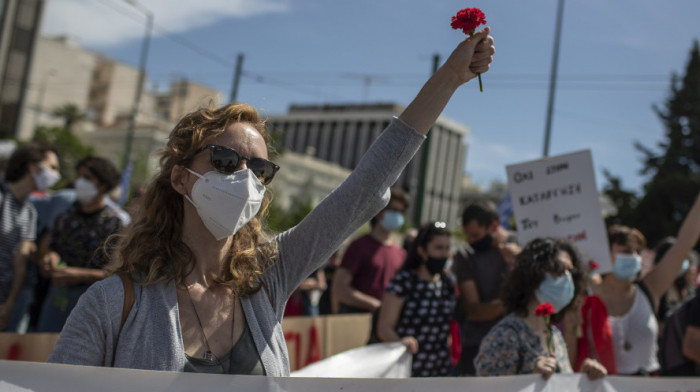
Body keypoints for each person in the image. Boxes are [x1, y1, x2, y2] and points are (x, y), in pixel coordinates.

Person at [46, 27, 496, 375]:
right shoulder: (112, 303)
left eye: (259, 170)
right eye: (225, 160)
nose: (244, 177)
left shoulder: (269, 277)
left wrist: (451, 79)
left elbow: (365, 187)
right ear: (181, 179)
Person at [580, 192, 700, 376]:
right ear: (605, 254)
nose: (634, 258)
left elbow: (683, 244)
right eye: (627, 251)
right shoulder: (585, 294)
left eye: (638, 252)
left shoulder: (649, 289)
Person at [475, 238, 607, 380]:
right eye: (558, 269)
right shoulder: (505, 335)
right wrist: (531, 379)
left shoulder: (555, 336)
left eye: (571, 273)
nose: (567, 279)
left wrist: (583, 378)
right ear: (534, 272)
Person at [37, 156, 124, 332]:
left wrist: (79, 275)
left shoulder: (113, 224)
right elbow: (50, 247)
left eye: (87, 178)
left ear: (103, 185)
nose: (79, 182)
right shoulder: (67, 216)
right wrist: (49, 258)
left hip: (89, 301)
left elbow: (117, 273)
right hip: (57, 296)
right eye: (79, 176)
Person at [377, 222, 455, 377]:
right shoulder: (404, 282)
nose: (444, 254)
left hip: (439, 368)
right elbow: (384, 328)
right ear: (422, 251)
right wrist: (402, 342)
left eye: (447, 248)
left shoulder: (447, 283)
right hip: (408, 368)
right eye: (438, 248)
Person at [453, 200, 519, 375]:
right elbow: (474, 311)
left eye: (475, 235)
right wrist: (515, 301)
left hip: (517, 344)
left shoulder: (521, 246)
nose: (471, 241)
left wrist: (521, 260)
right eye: (468, 236)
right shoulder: (465, 256)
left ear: (494, 226)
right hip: (477, 344)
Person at [0, 142, 60, 331]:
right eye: (52, 167)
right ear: (33, 166)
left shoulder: (30, 212)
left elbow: (20, 260)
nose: (56, 175)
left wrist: (9, 303)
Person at [332, 187, 410, 315]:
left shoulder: (401, 253)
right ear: (379, 212)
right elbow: (339, 289)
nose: (398, 216)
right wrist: (374, 304)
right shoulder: (359, 246)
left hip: (382, 324)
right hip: (356, 319)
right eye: (394, 210)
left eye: (401, 212)